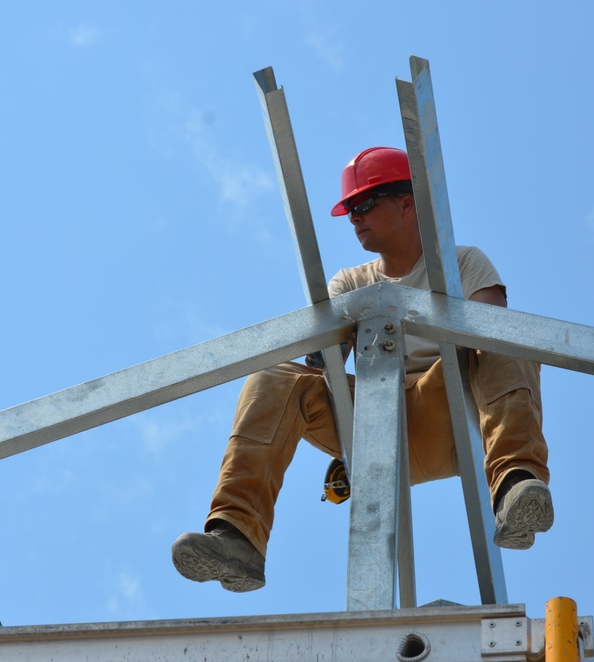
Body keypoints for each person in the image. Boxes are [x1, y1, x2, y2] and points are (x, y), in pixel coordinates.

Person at [171, 146, 552, 593]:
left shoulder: (462, 263)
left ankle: (515, 488)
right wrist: (330, 339)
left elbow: (491, 335)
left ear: (407, 204)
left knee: (506, 339)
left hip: (450, 407)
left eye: (365, 204)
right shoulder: (351, 282)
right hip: (374, 417)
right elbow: (321, 362)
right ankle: (238, 538)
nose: (355, 217)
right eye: (350, 209)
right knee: (273, 378)